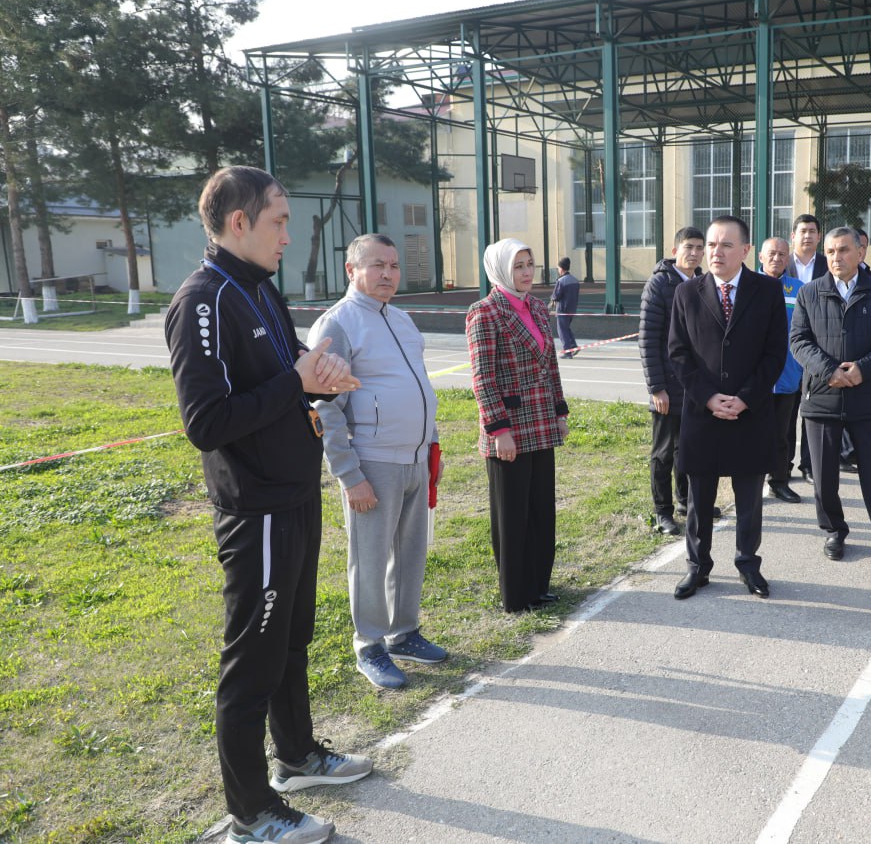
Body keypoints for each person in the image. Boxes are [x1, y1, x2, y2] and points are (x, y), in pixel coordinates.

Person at [165, 166, 370, 844]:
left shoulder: (258, 290)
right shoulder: (203, 299)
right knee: (251, 657)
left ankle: (298, 756)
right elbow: (205, 420)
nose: (289, 234)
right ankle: (250, 813)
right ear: (238, 223)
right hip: (255, 510)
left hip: (294, 497)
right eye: (279, 221)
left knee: (291, 640)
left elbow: (291, 375)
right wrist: (296, 380)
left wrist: (322, 379)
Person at [308, 234, 448, 691]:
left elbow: (420, 387)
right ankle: (369, 643)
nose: (388, 274)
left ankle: (403, 632)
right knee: (369, 558)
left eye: (393, 265)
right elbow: (325, 408)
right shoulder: (338, 326)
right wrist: (351, 477)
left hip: (414, 459)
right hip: (372, 462)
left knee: (411, 552)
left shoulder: (403, 320)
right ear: (351, 270)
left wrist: (432, 446)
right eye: (376, 266)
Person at [668, 215, 788, 599]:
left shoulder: (767, 291)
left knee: (749, 498)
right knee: (699, 500)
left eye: (725, 245)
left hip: (749, 412)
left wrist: (745, 398)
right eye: (710, 244)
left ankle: (748, 565)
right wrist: (708, 397)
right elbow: (678, 352)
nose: (714, 252)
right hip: (703, 414)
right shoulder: (687, 293)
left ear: (746, 250)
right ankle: (697, 567)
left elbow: (774, 354)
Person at [790, 226, 871, 570]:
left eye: (843, 250)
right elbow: (798, 341)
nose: (836, 257)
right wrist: (830, 371)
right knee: (824, 474)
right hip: (821, 396)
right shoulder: (809, 292)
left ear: (860, 253)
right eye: (830, 252)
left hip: (867, 394)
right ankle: (834, 530)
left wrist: (862, 369)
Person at [466, 238, 570, 612]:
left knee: (542, 510)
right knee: (512, 515)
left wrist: (560, 412)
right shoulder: (485, 312)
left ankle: (539, 585)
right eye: (518, 266)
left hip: (541, 421)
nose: (526, 272)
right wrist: (499, 431)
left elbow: (551, 366)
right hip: (509, 429)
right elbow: (482, 378)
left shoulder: (539, 308)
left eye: (529, 264)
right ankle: (516, 595)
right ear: (499, 270)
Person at [639, 227, 706, 536]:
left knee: (689, 449)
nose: (694, 253)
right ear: (675, 249)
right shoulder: (659, 285)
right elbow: (648, 340)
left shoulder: (702, 283)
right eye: (689, 247)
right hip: (667, 385)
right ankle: (663, 512)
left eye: (699, 248)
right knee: (663, 453)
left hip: (694, 386)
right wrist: (656, 387)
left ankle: (686, 501)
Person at [759, 236, 804, 503]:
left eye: (782, 255)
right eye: (772, 254)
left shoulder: (799, 289)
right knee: (751, 431)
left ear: (788, 259)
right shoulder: (747, 286)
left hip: (787, 375)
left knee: (782, 433)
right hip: (754, 376)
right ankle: (751, 481)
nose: (777, 259)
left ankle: (778, 480)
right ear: (761, 257)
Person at [784, 213, 828, 284]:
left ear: (819, 237)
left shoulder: (828, 264)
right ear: (793, 236)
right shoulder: (783, 263)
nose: (807, 236)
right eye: (803, 231)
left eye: (812, 231)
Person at [550, 256, 580, 358]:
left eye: (558, 268)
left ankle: (567, 352)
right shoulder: (575, 280)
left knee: (562, 330)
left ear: (561, 269)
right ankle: (573, 346)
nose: (558, 270)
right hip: (572, 309)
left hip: (562, 309)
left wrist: (551, 301)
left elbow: (556, 296)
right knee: (566, 328)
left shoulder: (561, 281)